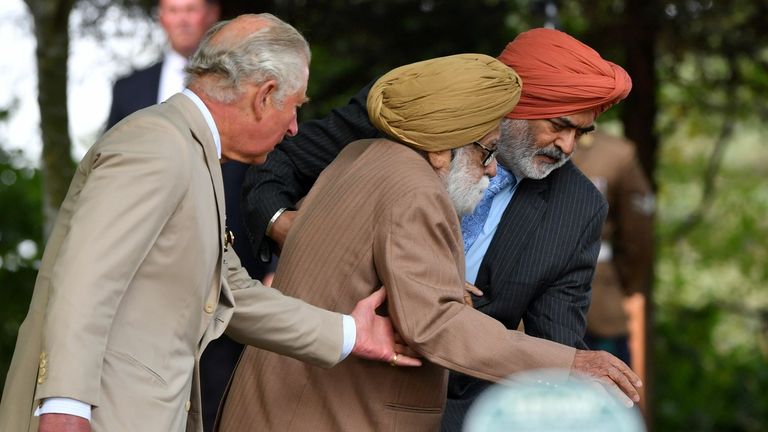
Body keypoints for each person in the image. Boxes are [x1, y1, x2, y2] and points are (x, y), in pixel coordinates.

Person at [0, 14, 420, 432]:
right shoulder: (158, 145)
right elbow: (85, 277)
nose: (294, 128)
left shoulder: (193, 152)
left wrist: (349, 333)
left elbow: (232, 292)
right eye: (294, 108)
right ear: (264, 96)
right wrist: (65, 407)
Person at [239, 27, 638, 430]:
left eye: (580, 134)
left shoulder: (578, 208)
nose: (567, 147)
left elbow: (552, 354)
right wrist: (301, 232)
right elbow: (279, 162)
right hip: (318, 379)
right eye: (558, 125)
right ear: (518, 103)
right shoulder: (413, 113)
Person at [105, 2, 271, 429]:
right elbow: (108, 175)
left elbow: (271, 176)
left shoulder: (252, 88)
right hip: (141, 276)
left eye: (190, 9)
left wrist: (274, 263)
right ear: (160, 16)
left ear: (210, 15)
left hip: (229, 272)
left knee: (220, 406)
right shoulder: (129, 89)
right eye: (171, 9)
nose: (180, 19)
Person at [571, 130, 654, 368]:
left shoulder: (616, 154)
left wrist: (627, 283)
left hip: (597, 303)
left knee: (610, 396)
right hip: (525, 307)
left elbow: (638, 237)